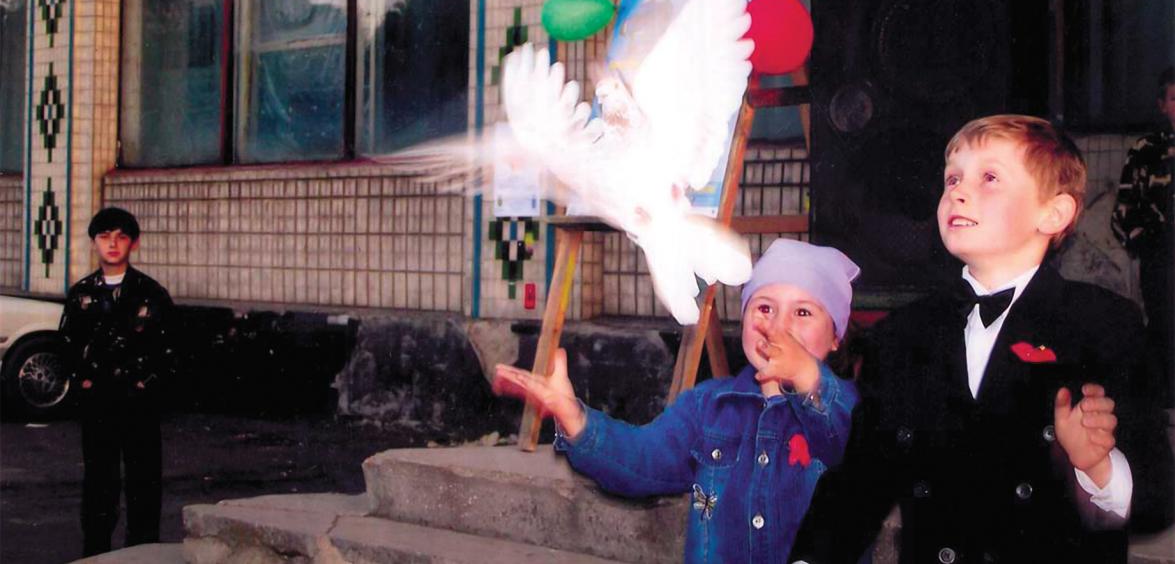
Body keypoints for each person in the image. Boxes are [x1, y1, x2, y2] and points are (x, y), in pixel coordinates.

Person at [789, 115, 1175, 564]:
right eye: (952, 178)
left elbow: (1156, 501)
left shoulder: (1105, 326)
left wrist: (1098, 469)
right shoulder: (901, 336)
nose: (957, 190)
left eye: (989, 177)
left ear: (1054, 213)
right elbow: (856, 488)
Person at [492, 238, 861, 563]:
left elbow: (844, 443)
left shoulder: (849, 407)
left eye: (803, 312)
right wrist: (574, 418)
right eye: (764, 308)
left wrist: (810, 379)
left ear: (835, 337)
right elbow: (645, 459)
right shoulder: (708, 407)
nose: (778, 326)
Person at [60, 207, 177, 556]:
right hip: (98, 404)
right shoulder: (82, 294)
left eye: (121, 237)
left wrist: (147, 385)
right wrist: (82, 385)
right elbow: (67, 346)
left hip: (139, 403)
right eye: (105, 237)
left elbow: (169, 350)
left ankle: (142, 555)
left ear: (134, 243)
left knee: (144, 482)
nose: (112, 244)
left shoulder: (150, 293)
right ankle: (95, 554)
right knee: (99, 483)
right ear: (94, 243)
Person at [1111, 66, 1175, 408]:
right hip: (1162, 257)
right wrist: (1146, 243)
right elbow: (1123, 209)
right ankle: (1163, 401)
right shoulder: (1146, 149)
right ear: (1162, 105)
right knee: (1163, 324)